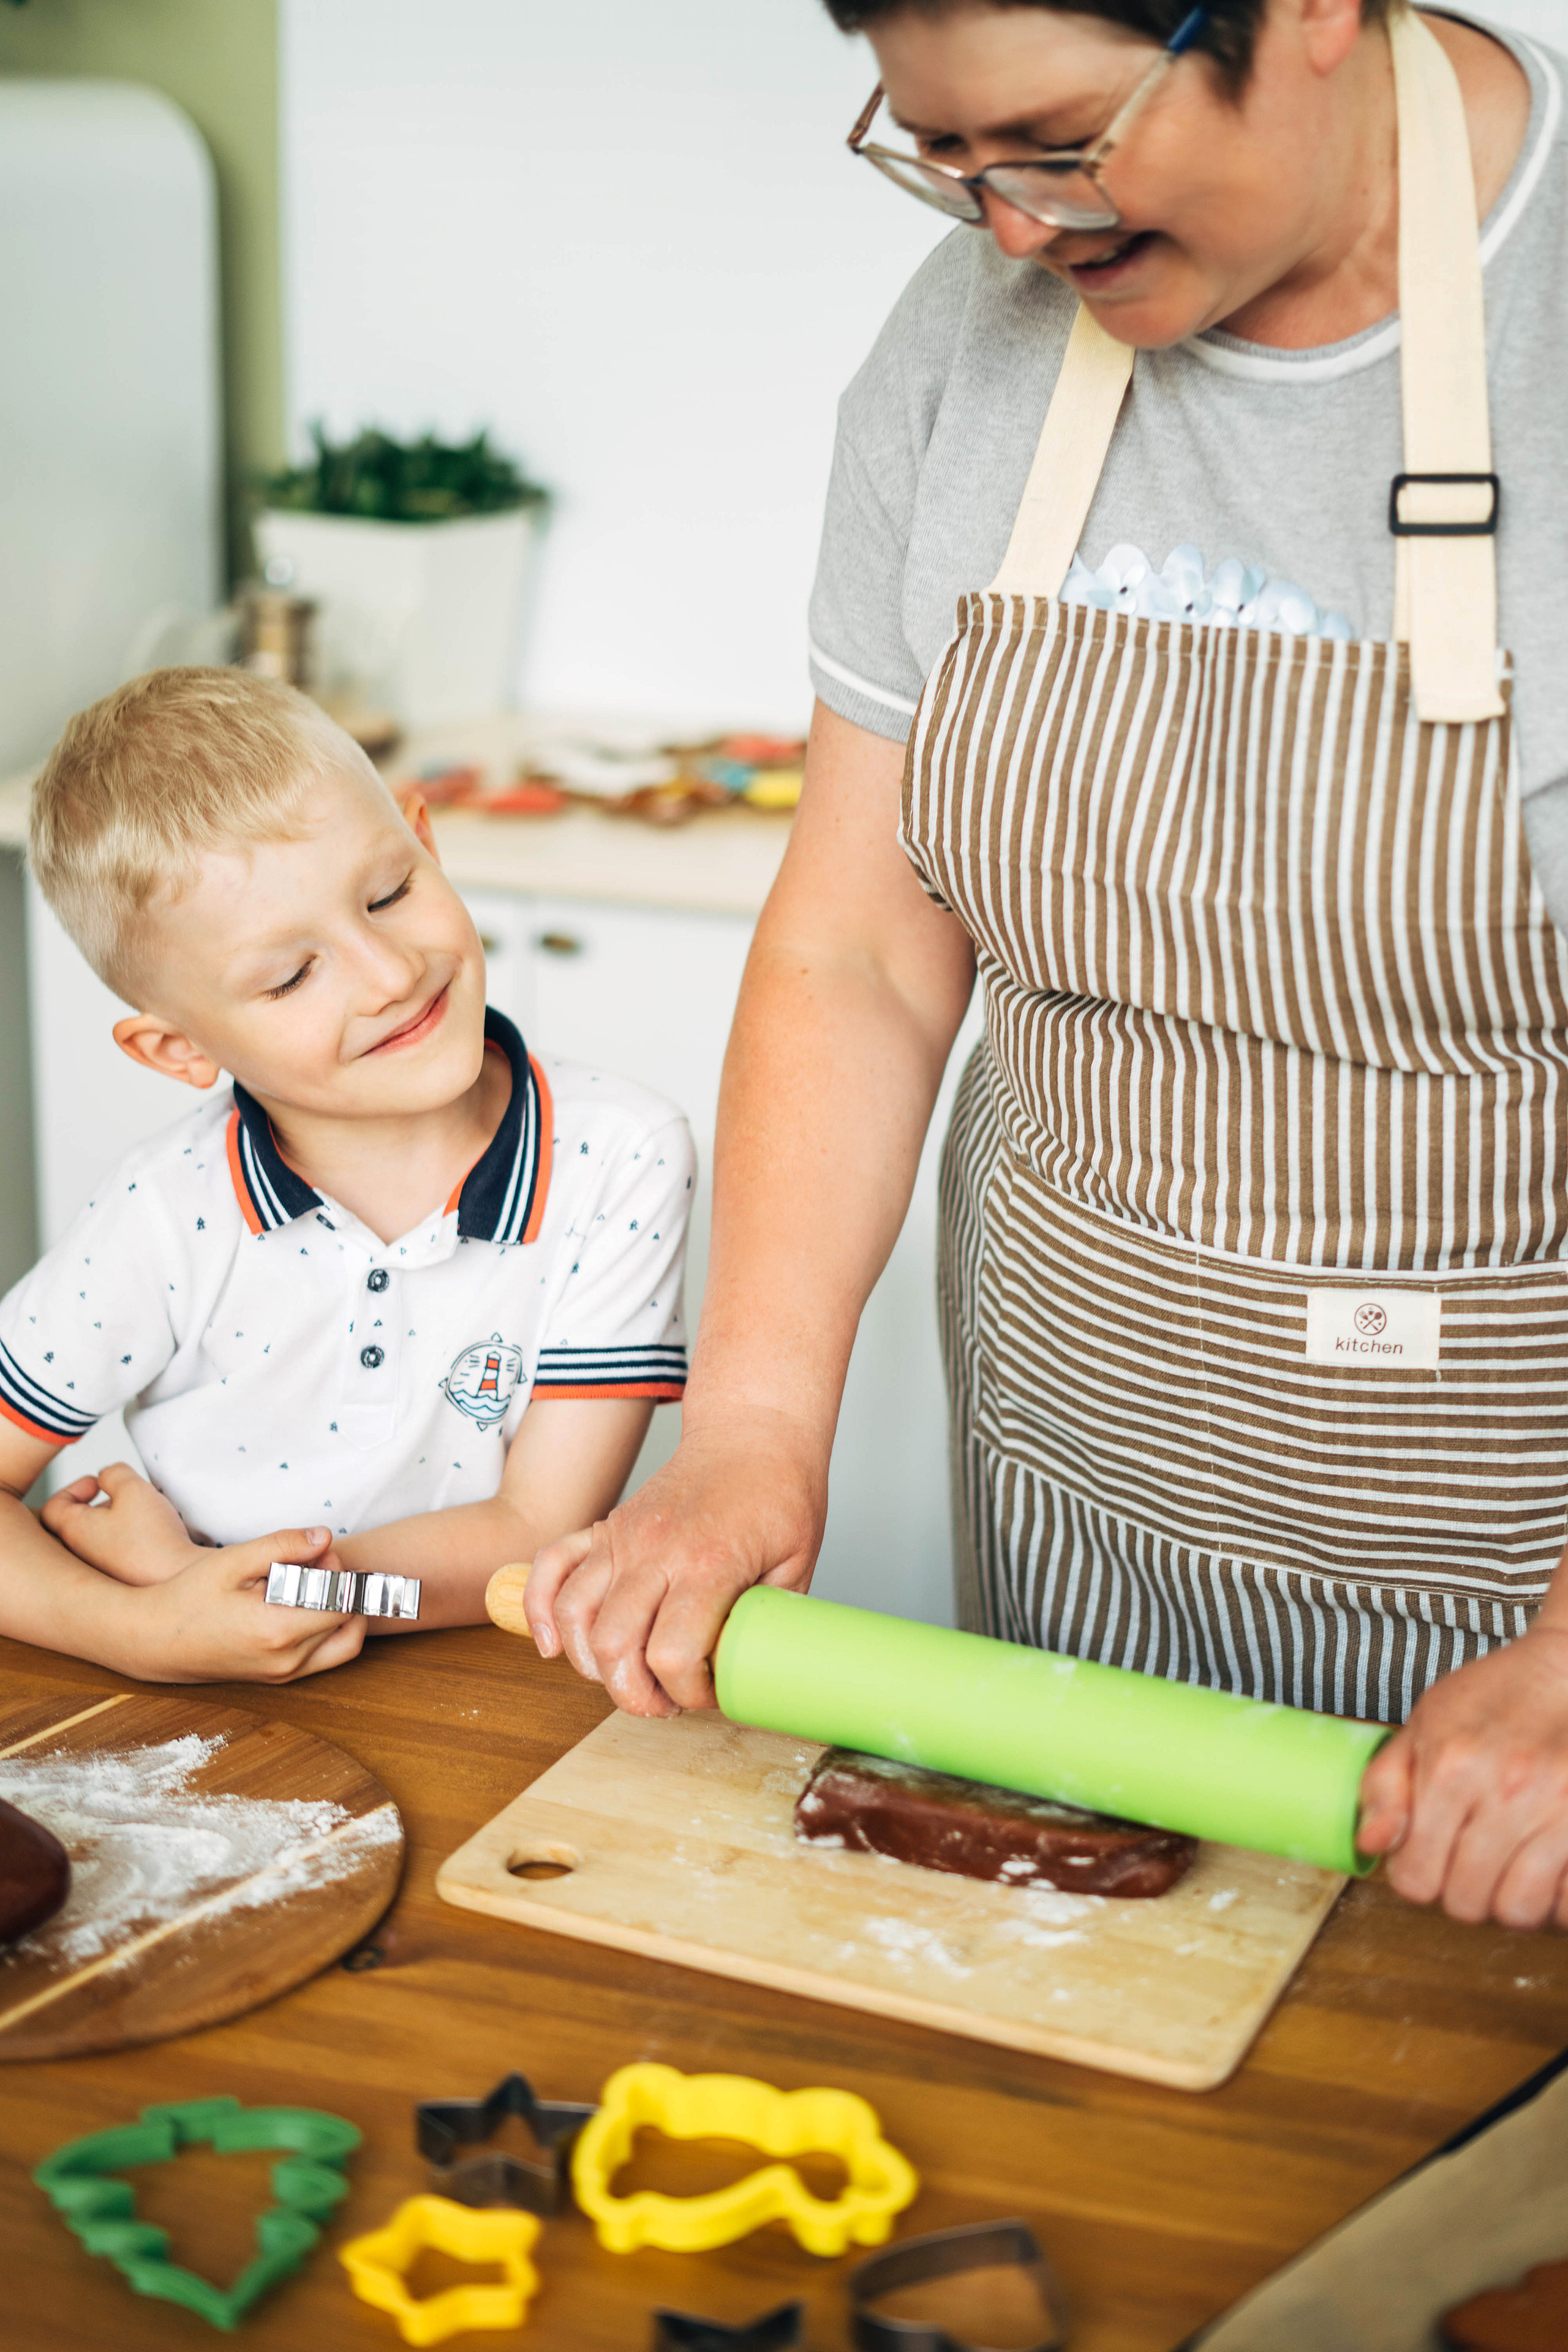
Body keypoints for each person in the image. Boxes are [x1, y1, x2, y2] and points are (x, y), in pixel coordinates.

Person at [526, 0, 1568, 1930]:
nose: (1011, 231)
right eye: (942, 154)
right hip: (1088, 1464)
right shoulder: (971, 337)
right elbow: (860, 946)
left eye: (1063, 140)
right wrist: (748, 1435)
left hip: (1510, 1553)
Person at [0, 668, 692, 1681]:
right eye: (290, 974)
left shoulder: (622, 1155)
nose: (389, 972)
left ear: (425, 835)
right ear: (178, 1050)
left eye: (391, 892)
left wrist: (218, 1584)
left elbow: (538, 1534)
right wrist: (144, 1632)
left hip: (495, 1704)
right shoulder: (162, 1215)